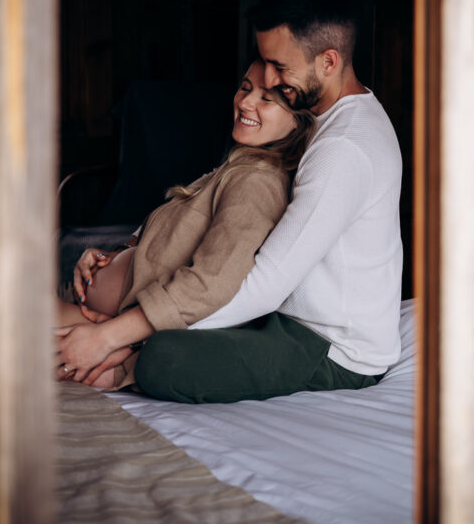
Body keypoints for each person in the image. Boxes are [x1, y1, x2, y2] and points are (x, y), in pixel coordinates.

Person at [123, 0, 404, 403]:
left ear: (328, 62)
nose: (268, 79)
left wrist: (129, 334)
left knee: (164, 358)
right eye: (264, 61)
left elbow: (268, 283)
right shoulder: (326, 116)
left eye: (281, 67)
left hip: (330, 346)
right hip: (281, 318)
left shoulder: (343, 148)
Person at [54, 59, 314, 388]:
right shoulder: (237, 166)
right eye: (245, 88)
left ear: (297, 121)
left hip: (113, 325)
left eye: (267, 99)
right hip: (94, 311)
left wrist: (116, 337)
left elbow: (212, 285)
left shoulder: (257, 184)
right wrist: (114, 253)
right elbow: (170, 237)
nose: (245, 102)